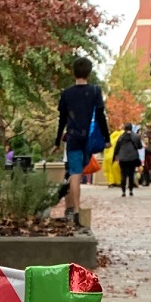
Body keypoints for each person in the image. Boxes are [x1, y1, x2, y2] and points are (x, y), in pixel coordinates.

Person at [53, 56, 109, 222]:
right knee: (75, 171)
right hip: (89, 139)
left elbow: (62, 120)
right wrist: (106, 138)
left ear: (73, 72)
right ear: (89, 72)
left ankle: (75, 210)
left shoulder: (67, 94)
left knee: (74, 173)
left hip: (73, 138)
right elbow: (100, 116)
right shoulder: (95, 91)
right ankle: (73, 207)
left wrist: (57, 141)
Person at [113, 123, 142, 197]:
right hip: (133, 157)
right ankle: (131, 190)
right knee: (131, 174)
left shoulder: (121, 137)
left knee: (123, 174)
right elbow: (140, 147)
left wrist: (115, 156)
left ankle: (123, 191)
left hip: (122, 158)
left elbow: (117, 147)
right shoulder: (136, 136)